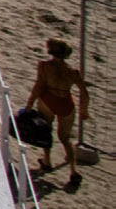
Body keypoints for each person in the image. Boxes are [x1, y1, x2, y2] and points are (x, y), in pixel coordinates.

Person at [27, 38, 89, 187]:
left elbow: (38, 86)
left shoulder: (44, 66)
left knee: (46, 131)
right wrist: (83, 109)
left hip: (49, 100)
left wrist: (29, 104)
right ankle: (74, 171)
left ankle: (47, 161)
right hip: (66, 103)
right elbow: (84, 92)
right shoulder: (73, 72)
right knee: (65, 138)